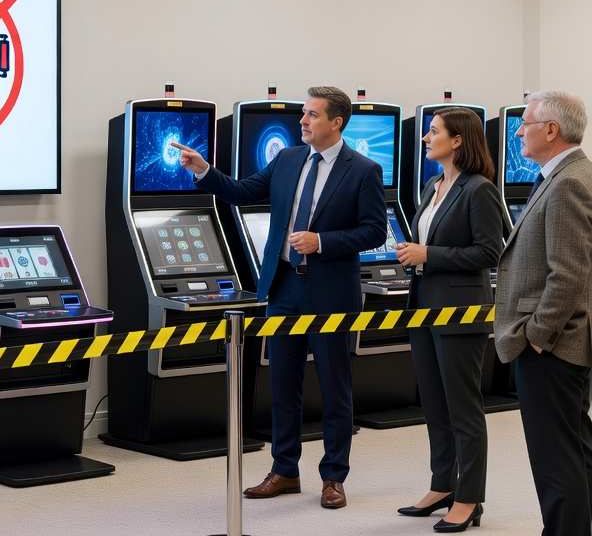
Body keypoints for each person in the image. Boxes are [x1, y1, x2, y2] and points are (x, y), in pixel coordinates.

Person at [171, 85, 385, 509]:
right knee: (282, 384)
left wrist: (322, 241)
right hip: (284, 286)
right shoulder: (287, 159)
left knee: (334, 387)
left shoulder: (363, 169)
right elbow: (243, 193)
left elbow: (374, 231)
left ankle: (333, 477)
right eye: (303, 114)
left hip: (331, 292)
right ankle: (284, 470)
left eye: (312, 115)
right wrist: (204, 171)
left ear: (336, 122)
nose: (302, 122)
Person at [394, 107, 502, 532]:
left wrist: (429, 255)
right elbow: (429, 241)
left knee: (463, 409)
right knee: (435, 405)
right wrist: (413, 255)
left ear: (457, 140)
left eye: (433, 132)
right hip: (422, 307)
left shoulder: (480, 190)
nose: (425, 138)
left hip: (461, 312)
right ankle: (443, 485)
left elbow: (490, 252)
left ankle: (470, 497)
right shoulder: (432, 185)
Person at [493, 90, 592, 536]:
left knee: (556, 463)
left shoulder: (570, 181)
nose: (517, 131)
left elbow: (567, 274)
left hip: (552, 346)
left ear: (551, 130)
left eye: (525, 123)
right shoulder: (564, 175)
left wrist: (537, 334)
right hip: (557, 342)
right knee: (576, 450)